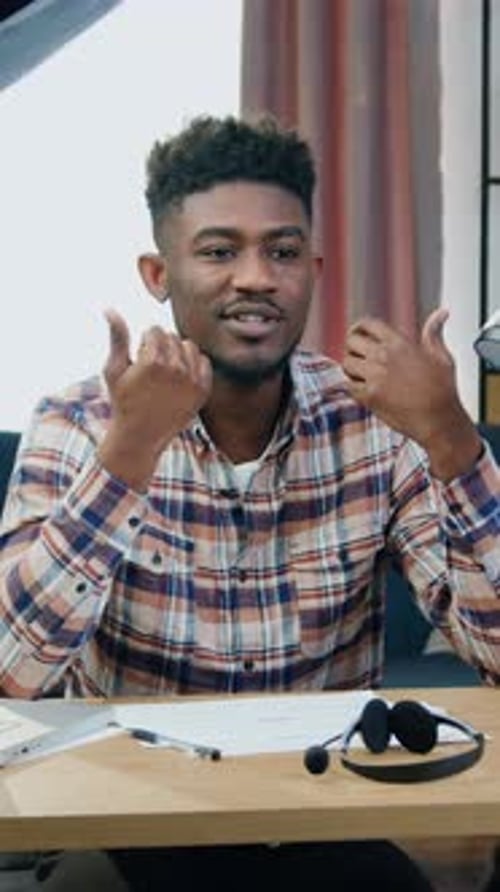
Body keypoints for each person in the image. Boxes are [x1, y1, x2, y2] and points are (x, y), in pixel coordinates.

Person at [0, 114, 499, 892]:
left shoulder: (376, 422)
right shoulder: (75, 422)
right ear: (157, 275)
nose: (257, 277)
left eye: (283, 251)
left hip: (322, 813)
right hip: (132, 825)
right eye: (219, 251)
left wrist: (452, 441)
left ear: (315, 269)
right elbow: (12, 677)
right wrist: (129, 456)